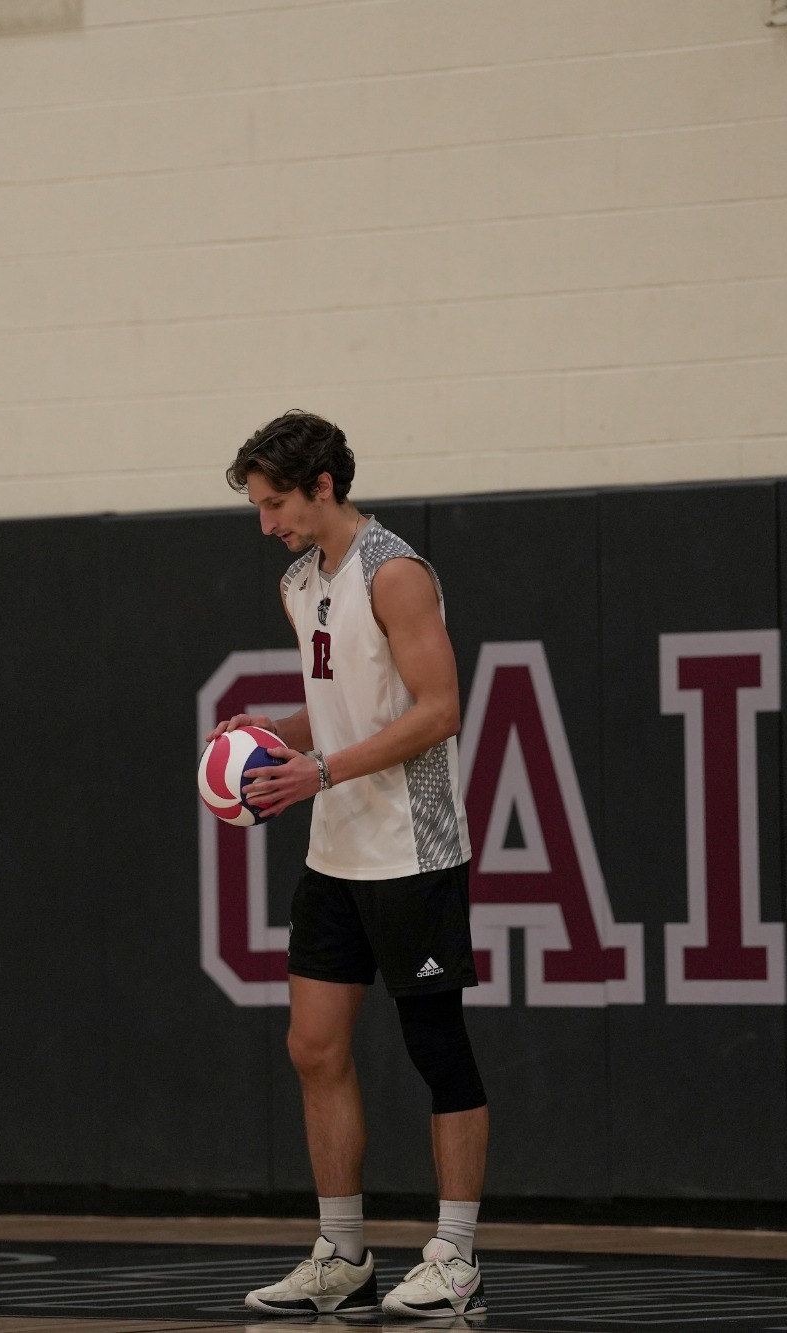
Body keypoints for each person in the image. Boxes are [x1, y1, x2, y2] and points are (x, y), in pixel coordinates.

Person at [210, 410, 488, 1320]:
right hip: (336, 852)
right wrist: (265, 736)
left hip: (414, 847)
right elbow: (342, 706)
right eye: (257, 505)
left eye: (277, 502)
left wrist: (320, 767)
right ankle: (343, 1252)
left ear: (324, 485)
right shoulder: (300, 582)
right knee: (312, 1045)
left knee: (435, 1047)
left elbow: (438, 709)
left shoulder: (396, 572)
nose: (267, 523)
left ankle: (454, 1254)